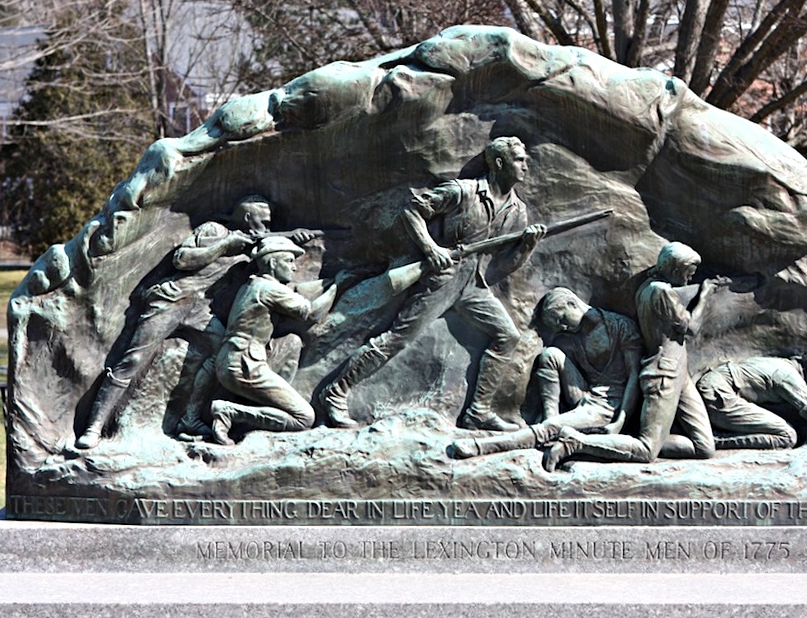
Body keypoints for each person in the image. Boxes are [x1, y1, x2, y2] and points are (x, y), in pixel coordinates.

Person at [315, 136, 546, 430]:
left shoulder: (517, 211)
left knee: (507, 336)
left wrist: (527, 246)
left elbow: (503, 266)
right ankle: (334, 393)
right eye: (519, 160)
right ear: (500, 163)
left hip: (473, 284)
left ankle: (478, 412)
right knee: (396, 338)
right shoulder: (464, 192)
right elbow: (412, 210)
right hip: (443, 279)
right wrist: (431, 249)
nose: (526, 165)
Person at [74, 195, 311, 449]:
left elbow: (269, 244)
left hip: (200, 310)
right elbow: (182, 259)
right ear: (247, 218)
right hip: (171, 300)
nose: (266, 227)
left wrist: (292, 236)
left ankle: (190, 420)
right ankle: (94, 427)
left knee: (224, 354)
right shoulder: (214, 230)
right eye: (263, 222)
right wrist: (224, 245)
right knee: (132, 359)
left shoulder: (252, 244)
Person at [542, 242, 718, 470]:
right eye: (688, 273)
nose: (689, 278)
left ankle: (620, 440)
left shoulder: (647, 287)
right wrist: (705, 295)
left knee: (704, 447)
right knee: (646, 450)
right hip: (664, 373)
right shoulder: (660, 292)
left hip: (678, 370)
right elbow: (691, 329)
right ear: (675, 270)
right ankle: (576, 442)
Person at [451, 287, 641, 461]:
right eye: (559, 326)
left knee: (549, 428)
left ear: (572, 304)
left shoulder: (621, 326)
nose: (564, 328)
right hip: (585, 394)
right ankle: (551, 421)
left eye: (563, 320)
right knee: (551, 355)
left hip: (608, 406)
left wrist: (620, 420)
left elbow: (634, 375)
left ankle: (481, 447)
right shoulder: (574, 337)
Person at [210, 236, 339, 444]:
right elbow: (312, 313)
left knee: (293, 342)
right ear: (271, 263)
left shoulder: (253, 284)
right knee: (304, 418)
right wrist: (336, 287)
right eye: (289, 261)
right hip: (245, 365)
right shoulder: (269, 289)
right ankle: (229, 412)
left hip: (235, 358)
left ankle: (273, 408)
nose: (294, 268)